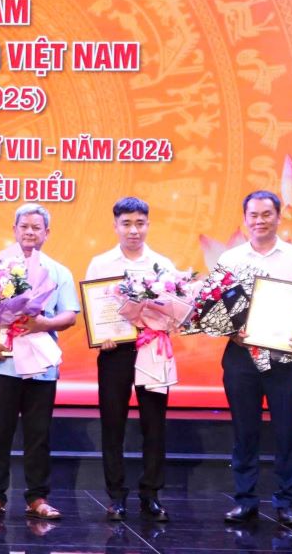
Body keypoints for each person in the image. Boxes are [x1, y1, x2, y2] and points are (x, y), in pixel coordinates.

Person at [220, 190, 292, 528]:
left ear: (278, 217)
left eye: (267, 214)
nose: (260, 221)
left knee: (287, 431)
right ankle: (245, 500)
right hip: (241, 357)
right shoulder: (230, 259)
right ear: (245, 219)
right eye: (254, 215)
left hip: (284, 357)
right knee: (244, 430)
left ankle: (286, 503)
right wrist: (231, 330)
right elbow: (217, 310)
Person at [0, 203, 80, 520]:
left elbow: (69, 315)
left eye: (36, 227)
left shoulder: (58, 271)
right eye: (24, 226)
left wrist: (44, 324)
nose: (30, 232)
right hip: (1, 363)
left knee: (38, 435)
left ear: (47, 233)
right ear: (14, 230)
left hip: (41, 366)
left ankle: (37, 498)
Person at [85, 197, 175, 521]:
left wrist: (166, 322)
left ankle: (151, 494)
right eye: (126, 224)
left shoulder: (163, 265)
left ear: (148, 224)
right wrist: (103, 336)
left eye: (139, 223)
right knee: (113, 425)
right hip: (115, 353)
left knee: (154, 425)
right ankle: (116, 496)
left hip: (153, 349)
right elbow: (95, 310)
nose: (133, 230)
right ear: (115, 226)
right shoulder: (100, 264)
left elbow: (174, 311)